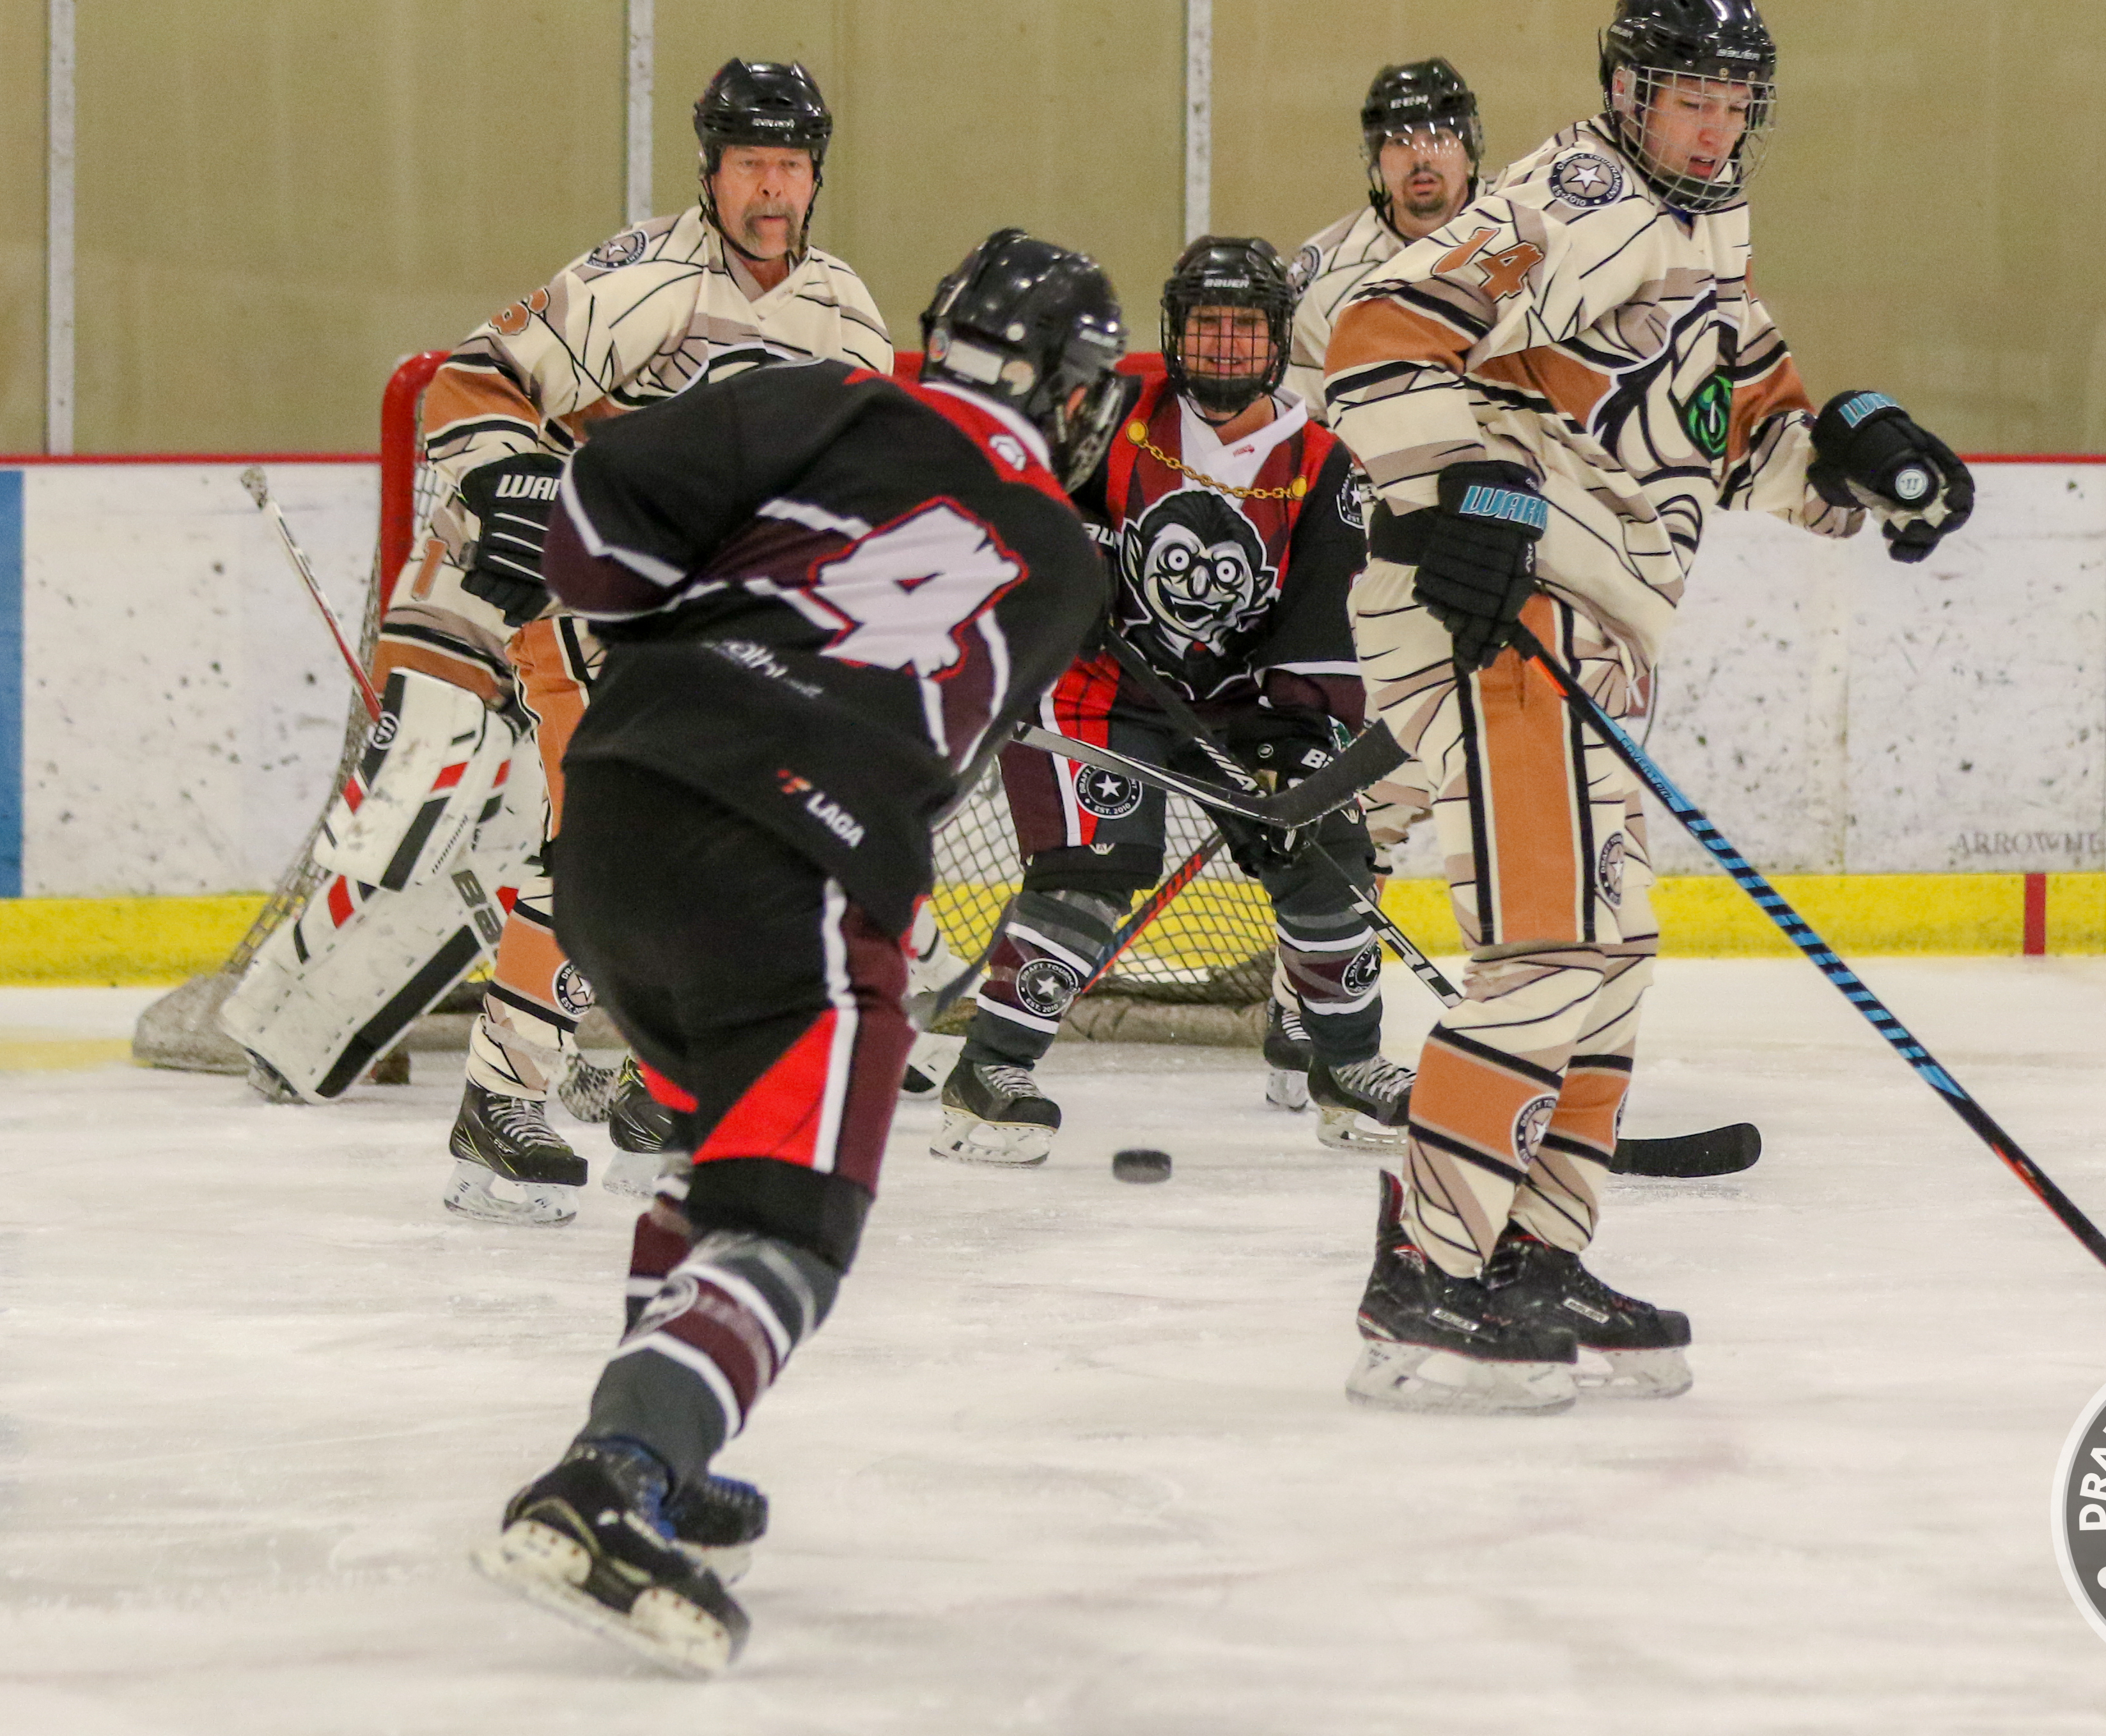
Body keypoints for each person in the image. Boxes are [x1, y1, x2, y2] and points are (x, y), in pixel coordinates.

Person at [472, 231, 1127, 1676]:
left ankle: (657, 1428)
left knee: (717, 1152)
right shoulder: (1067, 563)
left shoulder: (822, 395)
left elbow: (601, 528)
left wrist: (697, 614)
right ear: (1074, 396)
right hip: (798, 870)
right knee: (788, 1220)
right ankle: (610, 1475)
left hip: (620, 815)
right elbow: (945, 729)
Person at [1322, 0, 1975, 1413]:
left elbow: (1739, 444)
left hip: (1595, 626)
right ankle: (1424, 1280)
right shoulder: (1575, 197)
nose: (1713, 125)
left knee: (1608, 950)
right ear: (1626, 93)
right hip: (1499, 616)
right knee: (1549, 944)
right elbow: (1370, 334)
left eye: (1735, 103)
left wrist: (1869, 465)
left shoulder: (1706, 250)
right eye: (1689, 98)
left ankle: (1532, 1259)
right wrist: (1468, 496)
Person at [218, 61, 896, 1227]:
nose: (770, 187)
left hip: (705, 621)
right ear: (711, 172)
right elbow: (466, 382)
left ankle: (652, 1093)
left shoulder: (845, 313)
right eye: (749, 165)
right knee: (604, 841)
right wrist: (519, 483)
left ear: (816, 174)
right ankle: (501, 1104)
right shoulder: (642, 280)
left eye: (789, 164)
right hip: (582, 591)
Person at [934, 236, 1414, 1164]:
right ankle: (988, 1071)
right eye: (1208, 326)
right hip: (1100, 684)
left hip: (1248, 701)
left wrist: (1298, 744)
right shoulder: (1115, 413)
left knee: (1327, 849)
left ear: (1277, 341)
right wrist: (1063, 587)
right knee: (1095, 865)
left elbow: (1321, 620)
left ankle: (1346, 1065)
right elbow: (1024, 503)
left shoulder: (1321, 459)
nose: (1226, 346)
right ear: (1175, 332)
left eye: (1245, 328)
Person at [1283, 59, 1488, 415]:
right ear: (1376, 158)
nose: (1421, 158)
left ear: (1469, 150)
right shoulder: (1329, 269)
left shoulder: (1527, 234)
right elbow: (1304, 413)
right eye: (1400, 142)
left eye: (1439, 138)